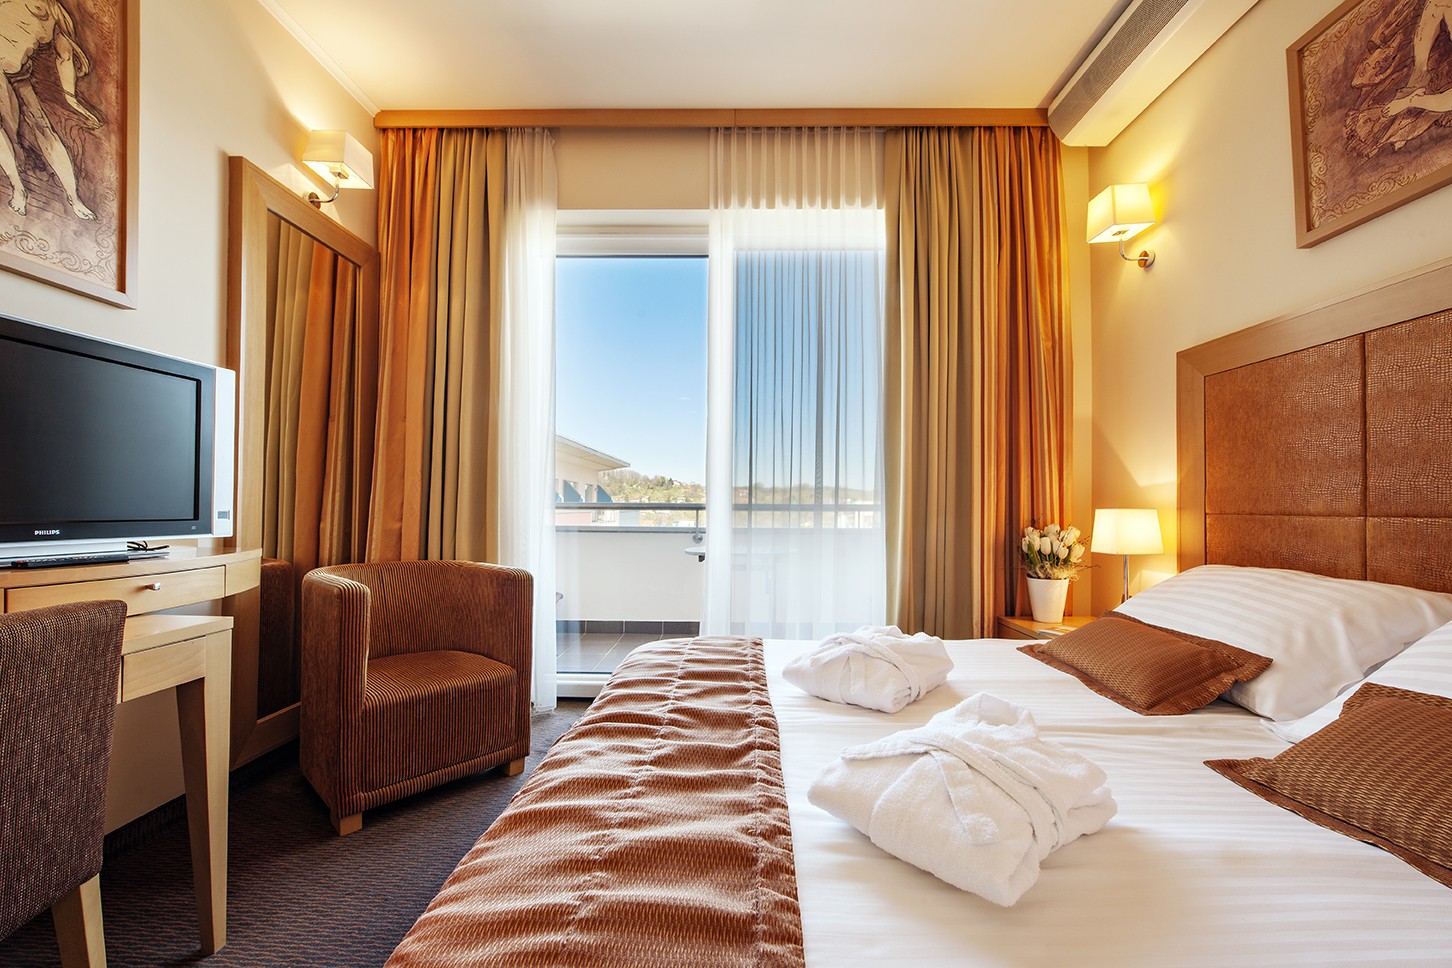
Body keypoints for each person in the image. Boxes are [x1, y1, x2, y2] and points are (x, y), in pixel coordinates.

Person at [0, 0, 101, 219]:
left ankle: (74, 199)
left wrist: (72, 100)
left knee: (45, 129)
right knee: (6, 128)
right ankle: (19, 188)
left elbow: (65, 57)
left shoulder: (56, 13)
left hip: (19, 72)